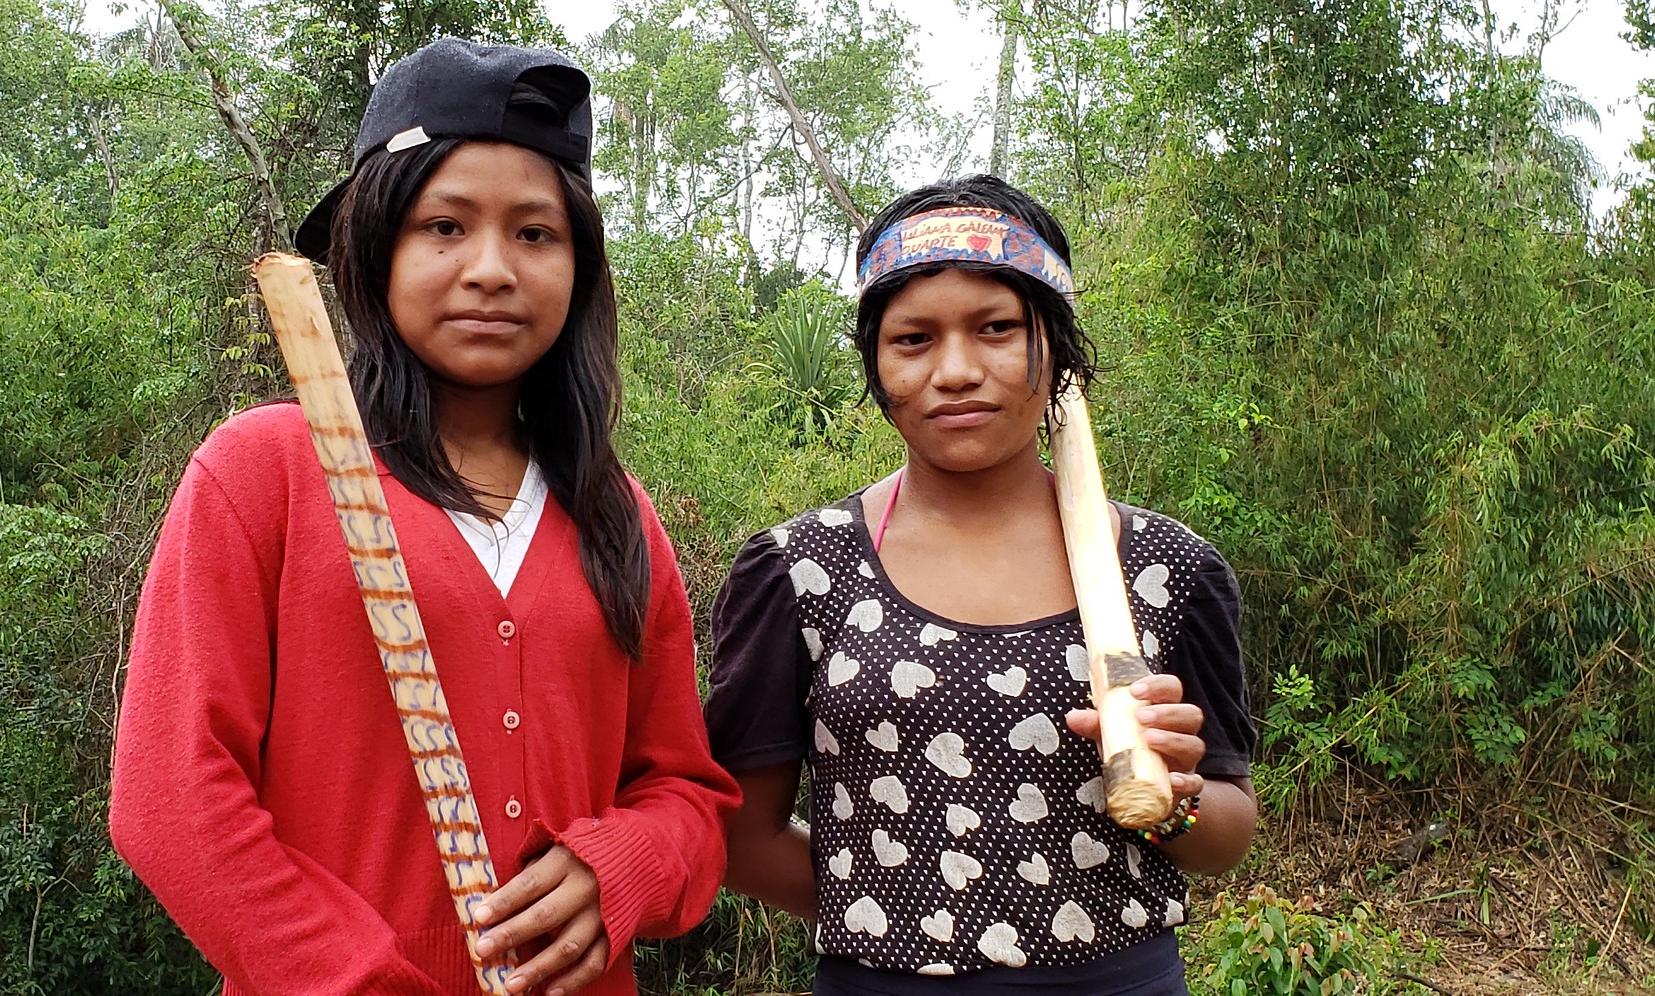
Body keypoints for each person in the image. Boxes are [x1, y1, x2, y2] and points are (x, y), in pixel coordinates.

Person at [109, 38, 738, 996]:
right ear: (375, 246)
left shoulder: (618, 516)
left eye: (536, 233)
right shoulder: (265, 474)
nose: (492, 268)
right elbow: (172, 801)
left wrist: (624, 866)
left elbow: (686, 796)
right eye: (445, 227)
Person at [704, 174, 1257, 995]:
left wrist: (1171, 796)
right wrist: (902, 915)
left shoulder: (1170, 570)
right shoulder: (798, 572)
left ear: (1058, 350)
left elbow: (1229, 835)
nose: (956, 370)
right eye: (914, 339)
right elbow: (741, 838)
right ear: (874, 364)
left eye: (997, 328)